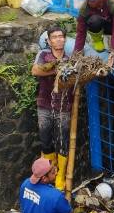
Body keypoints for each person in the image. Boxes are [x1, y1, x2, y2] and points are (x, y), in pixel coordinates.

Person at [32, 25, 80, 191]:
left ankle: (60, 176)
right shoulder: (43, 55)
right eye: (55, 37)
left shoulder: (70, 60)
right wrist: (56, 71)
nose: (58, 39)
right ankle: (49, 172)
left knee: (62, 141)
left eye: (61, 36)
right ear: (49, 40)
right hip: (44, 105)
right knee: (45, 139)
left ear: (64, 39)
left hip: (64, 106)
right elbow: (35, 71)